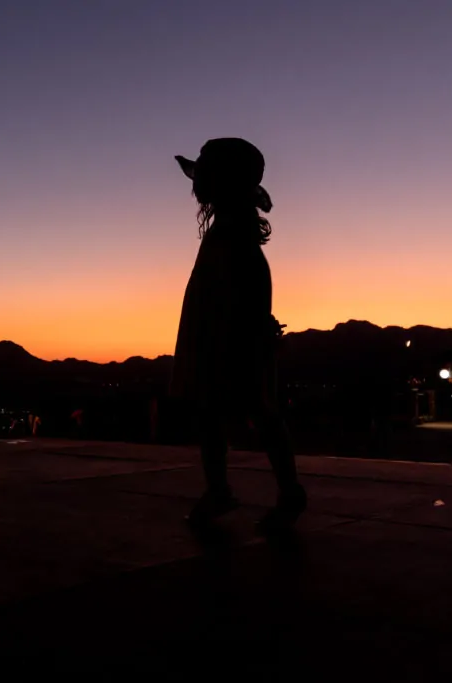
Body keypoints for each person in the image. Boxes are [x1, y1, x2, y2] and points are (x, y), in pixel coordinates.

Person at [170, 138, 306, 532]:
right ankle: (225, 490)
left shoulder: (231, 235)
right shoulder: (232, 230)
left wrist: (239, 335)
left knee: (256, 411)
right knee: (222, 412)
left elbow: (239, 289)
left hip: (229, 335)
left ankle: (282, 492)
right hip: (225, 331)